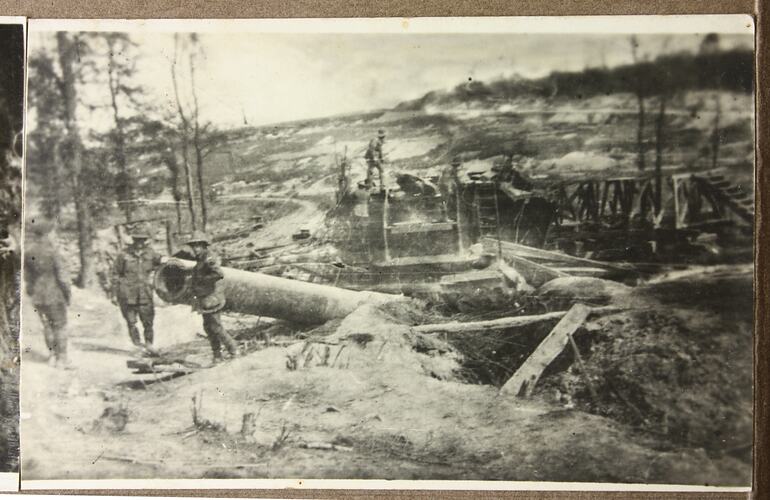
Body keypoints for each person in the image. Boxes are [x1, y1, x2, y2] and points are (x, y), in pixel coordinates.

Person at [24, 219, 71, 368]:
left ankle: (51, 355)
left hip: (38, 295)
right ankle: (61, 359)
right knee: (60, 326)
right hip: (54, 294)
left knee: (47, 325)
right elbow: (63, 277)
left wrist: (31, 292)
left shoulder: (29, 252)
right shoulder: (53, 252)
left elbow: (27, 277)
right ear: (46, 234)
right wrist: (67, 294)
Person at [187, 231, 239, 364]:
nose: (195, 248)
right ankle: (217, 355)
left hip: (212, 297)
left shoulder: (208, 258)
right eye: (193, 246)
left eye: (198, 246)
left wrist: (201, 281)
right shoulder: (200, 260)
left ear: (204, 246)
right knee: (208, 327)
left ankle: (233, 349)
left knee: (215, 326)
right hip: (205, 299)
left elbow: (218, 274)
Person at [112, 225, 164, 349]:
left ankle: (149, 344)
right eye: (137, 239)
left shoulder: (151, 253)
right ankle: (137, 344)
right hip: (127, 294)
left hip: (145, 294)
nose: (139, 243)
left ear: (145, 240)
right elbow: (115, 274)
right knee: (131, 322)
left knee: (148, 322)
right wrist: (115, 294)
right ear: (133, 240)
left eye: (142, 240)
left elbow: (163, 263)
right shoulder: (123, 254)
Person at [439, 156, 462, 220]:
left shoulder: (453, 169)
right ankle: (449, 217)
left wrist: (459, 184)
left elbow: (456, 178)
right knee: (449, 201)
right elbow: (448, 179)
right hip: (444, 187)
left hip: (446, 186)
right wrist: (450, 189)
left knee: (451, 201)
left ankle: (451, 216)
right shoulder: (450, 169)